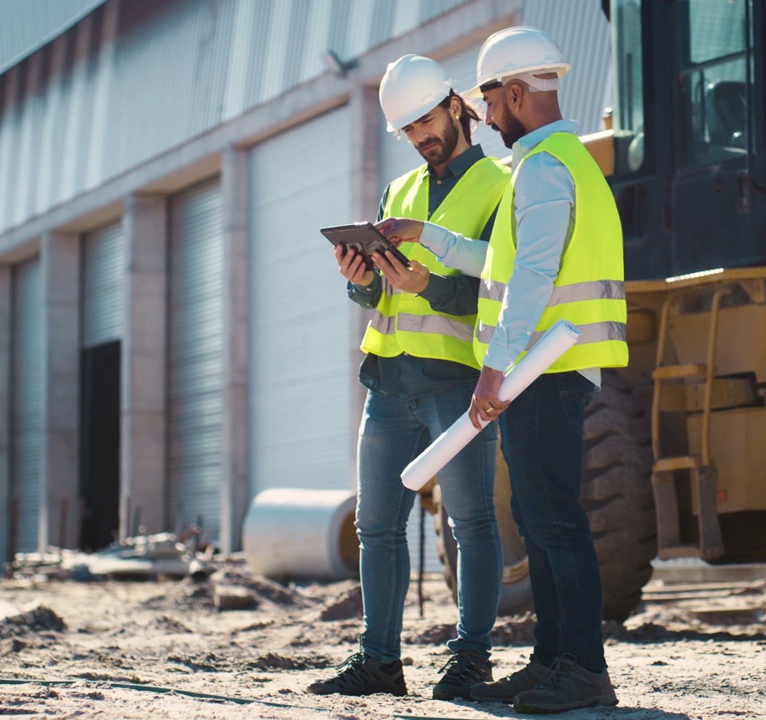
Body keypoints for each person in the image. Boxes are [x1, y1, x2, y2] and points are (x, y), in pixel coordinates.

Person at [377, 27, 627, 713]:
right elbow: (501, 262)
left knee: (553, 518)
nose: (483, 115)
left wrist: (493, 370)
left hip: (549, 368)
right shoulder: (551, 164)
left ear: (516, 93)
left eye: (488, 99)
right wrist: (423, 234)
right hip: (544, 369)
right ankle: (553, 660)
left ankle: (582, 667)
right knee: (540, 515)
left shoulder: (546, 168)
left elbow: (534, 280)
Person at [307, 54, 510, 700]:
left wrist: (431, 285)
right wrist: (361, 283)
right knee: (377, 527)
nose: (420, 137)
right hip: (389, 384)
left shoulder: (500, 187)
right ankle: (379, 661)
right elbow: (380, 300)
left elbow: (501, 288)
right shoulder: (399, 192)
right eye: (408, 130)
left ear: (456, 106)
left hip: (457, 379)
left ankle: (471, 660)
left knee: (472, 522)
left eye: (425, 121)